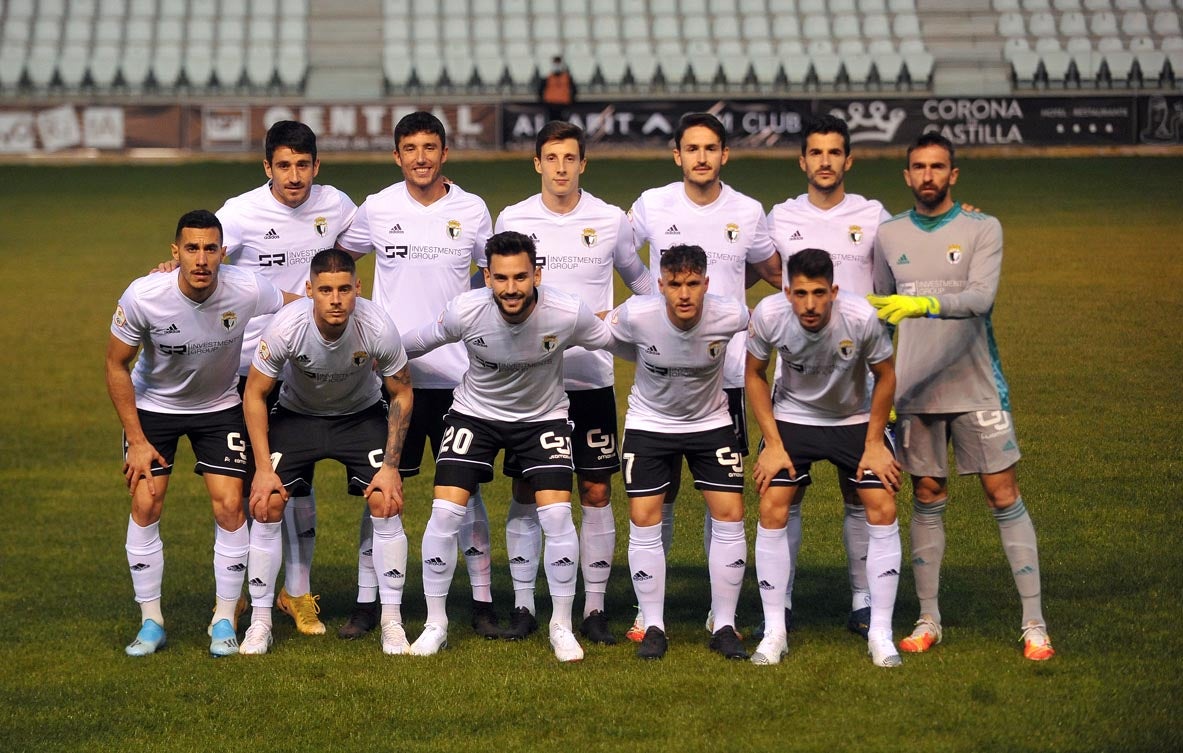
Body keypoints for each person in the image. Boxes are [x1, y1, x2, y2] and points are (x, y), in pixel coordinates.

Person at [870, 132, 1054, 661]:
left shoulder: (983, 227)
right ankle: (928, 618)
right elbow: (883, 311)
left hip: (977, 386)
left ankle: (1034, 622)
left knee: (1002, 492)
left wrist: (923, 302)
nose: (928, 175)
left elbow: (979, 298)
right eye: (918, 167)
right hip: (915, 390)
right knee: (927, 495)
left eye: (938, 167)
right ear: (906, 176)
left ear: (954, 175)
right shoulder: (888, 234)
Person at [401, 231, 614, 662]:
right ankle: (436, 623)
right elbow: (415, 341)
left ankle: (560, 624)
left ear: (536, 274)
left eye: (520, 277)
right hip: (474, 415)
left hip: (543, 418)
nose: (511, 288)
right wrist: (364, 348)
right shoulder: (466, 310)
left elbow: (615, 340)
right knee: (444, 512)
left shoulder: (566, 312)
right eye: (500, 278)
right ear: (486, 277)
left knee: (556, 515)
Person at [336, 111, 499, 640]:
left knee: (466, 493)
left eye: (431, 147)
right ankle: (369, 602)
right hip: (389, 378)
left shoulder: (473, 209)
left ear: (445, 152)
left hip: (458, 381)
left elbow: (493, 277)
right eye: (411, 148)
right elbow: (335, 259)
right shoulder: (378, 208)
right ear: (397, 155)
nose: (421, 157)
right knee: (380, 492)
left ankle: (481, 601)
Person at [492, 121, 653, 645]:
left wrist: (617, 316)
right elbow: (494, 287)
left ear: (583, 163)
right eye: (551, 157)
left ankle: (595, 608)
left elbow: (646, 285)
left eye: (570, 158)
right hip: (528, 385)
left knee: (595, 489)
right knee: (526, 489)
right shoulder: (514, 219)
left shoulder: (609, 219)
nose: (560, 167)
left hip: (590, 381)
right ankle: (522, 605)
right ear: (537, 163)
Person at [626, 111, 780, 641]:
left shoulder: (748, 211)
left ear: (724, 155)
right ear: (678, 156)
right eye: (692, 149)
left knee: (725, 498)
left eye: (711, 148)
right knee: (657, 499)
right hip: (664, 369)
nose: (701, 157)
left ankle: (722, 611)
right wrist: (650, 299)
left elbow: (770, 268)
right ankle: (653, 611)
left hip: (729, 374)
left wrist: (730, 310)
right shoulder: (652, 204)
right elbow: (621, 252)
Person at [106, 209, 287, 657]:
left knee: (230, 506)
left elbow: (298, 301)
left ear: (223, 252)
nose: (201, 259)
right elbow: (115, 364)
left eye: (210, 249)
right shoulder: (143, 296)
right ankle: (151, 623)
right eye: (192, 249)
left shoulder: (245, 287)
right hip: (154, 408)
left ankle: (224, 618)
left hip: (219, 407)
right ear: (175, 252)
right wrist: (137, 439)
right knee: (146, 501)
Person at [215, 120, 359, 638]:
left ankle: (295, 592)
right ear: (267, 168)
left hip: (311, 368)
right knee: (240, 487)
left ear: (316, 167)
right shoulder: (240, 212)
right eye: (284, 166)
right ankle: (232, 597)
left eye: (303, 165)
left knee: (296, 483)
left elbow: (357, 256)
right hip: (246, 367)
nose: (294, 176)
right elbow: (205, 256)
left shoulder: (337, 205)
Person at [239, 250, 413, 656]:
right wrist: (263, 470)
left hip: (360, 415)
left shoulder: (377, 325)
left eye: (343, 290)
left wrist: (390, 467)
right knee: (265, 503)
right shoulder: (287, 326)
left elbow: (402, 392)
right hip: (298, 416)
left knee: (386, 501)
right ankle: (260, 623)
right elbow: (255, 393)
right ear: (309, 291)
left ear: (357, 289)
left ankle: (391, 621)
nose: (335, 299)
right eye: (325, 291)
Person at [764, 114, 893, 639]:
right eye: (815, 153)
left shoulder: (874, 215)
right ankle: (784, 600)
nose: (824, 161)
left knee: (858, 489)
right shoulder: (780, 217)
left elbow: (898, 268)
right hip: (797, 382)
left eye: (833, 152)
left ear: (848, 160)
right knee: (784, 493)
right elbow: (765, 269)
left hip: (858, 381)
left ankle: (863, 600)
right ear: (803, 161)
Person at [746, 248, 902, 668]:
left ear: (834, 290)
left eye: (818, 293)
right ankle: (775, 628)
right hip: (794, 418)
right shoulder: (769, 314)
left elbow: (886, 374)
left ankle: (880, 631)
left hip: (852, 418)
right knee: (772, 505)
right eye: (800, 293)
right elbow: (754, 374)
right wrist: (773, 443)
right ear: (786, 290)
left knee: (881, 504)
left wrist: (873, 443)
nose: (810, 304)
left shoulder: (860, 317)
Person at [605, 244, 751, 661]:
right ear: (661, 285)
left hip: (711, 423)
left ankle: (724, 624)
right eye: (674, 285)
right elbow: (600, 330)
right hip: (650, 424)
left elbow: (769, 330)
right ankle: (653, 624)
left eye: (692, 284)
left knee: (729, 514)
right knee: (644, 518)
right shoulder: (637, 313)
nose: (684, 294)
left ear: (706, 283)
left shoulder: (731, 314)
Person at [539, 55, 575, 123]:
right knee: (551, 125)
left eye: (558, 63)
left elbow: (574, 90)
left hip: (563, 105)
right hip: (550, 105)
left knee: (563, 125)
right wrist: (544, 102)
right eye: (555, 63)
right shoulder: (547, 77)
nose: (557, 66)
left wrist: (570, 102)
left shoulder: (567, 77)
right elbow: (540, 90)